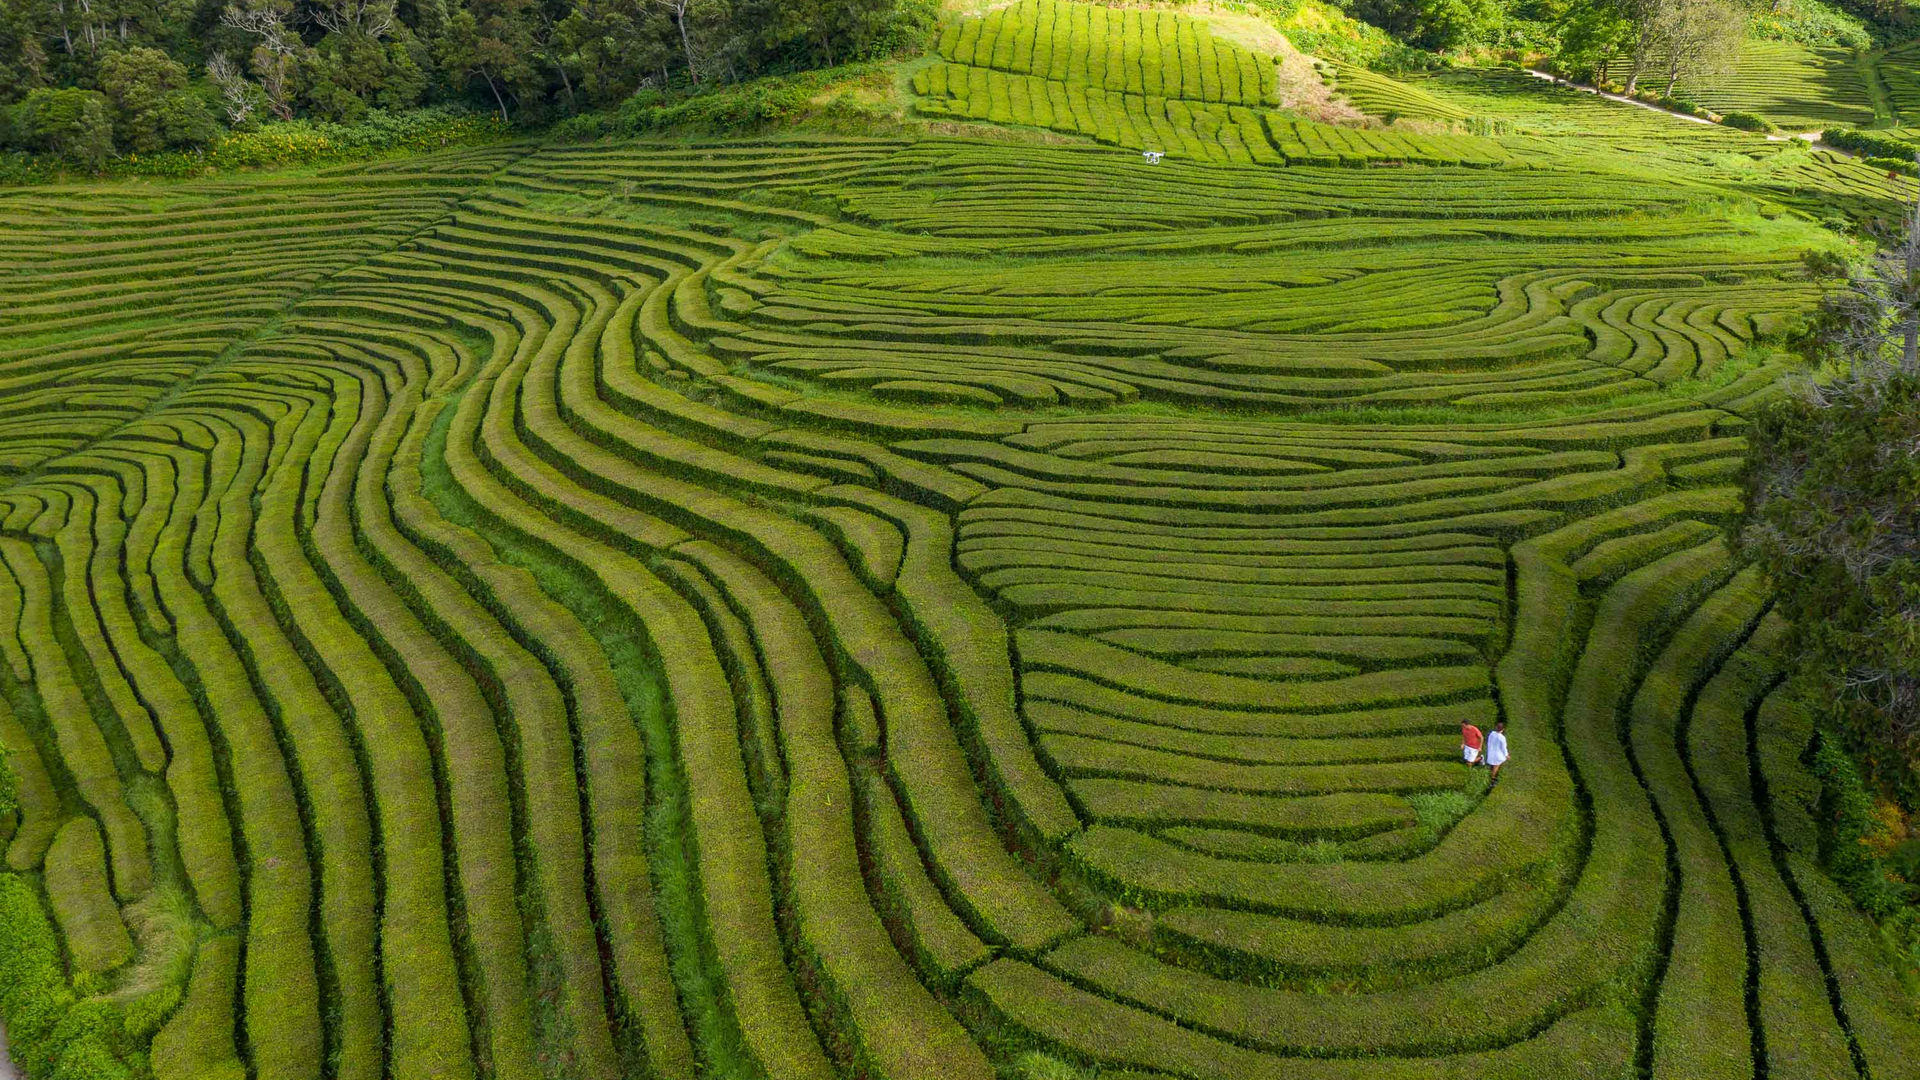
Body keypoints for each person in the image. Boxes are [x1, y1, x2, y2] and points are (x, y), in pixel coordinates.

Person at [1485, 719, 1509, 784]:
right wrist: (1506, 755)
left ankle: (1490, 776)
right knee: (1496, 766)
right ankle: (1492, 778)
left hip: (1491, 753)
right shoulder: (1502, 738)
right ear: (1503, 729)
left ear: (1496, 727)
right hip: (1497, 755)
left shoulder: (1491, 733)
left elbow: (1488, 742)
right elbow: (1504, 748)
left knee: (1492, 766)